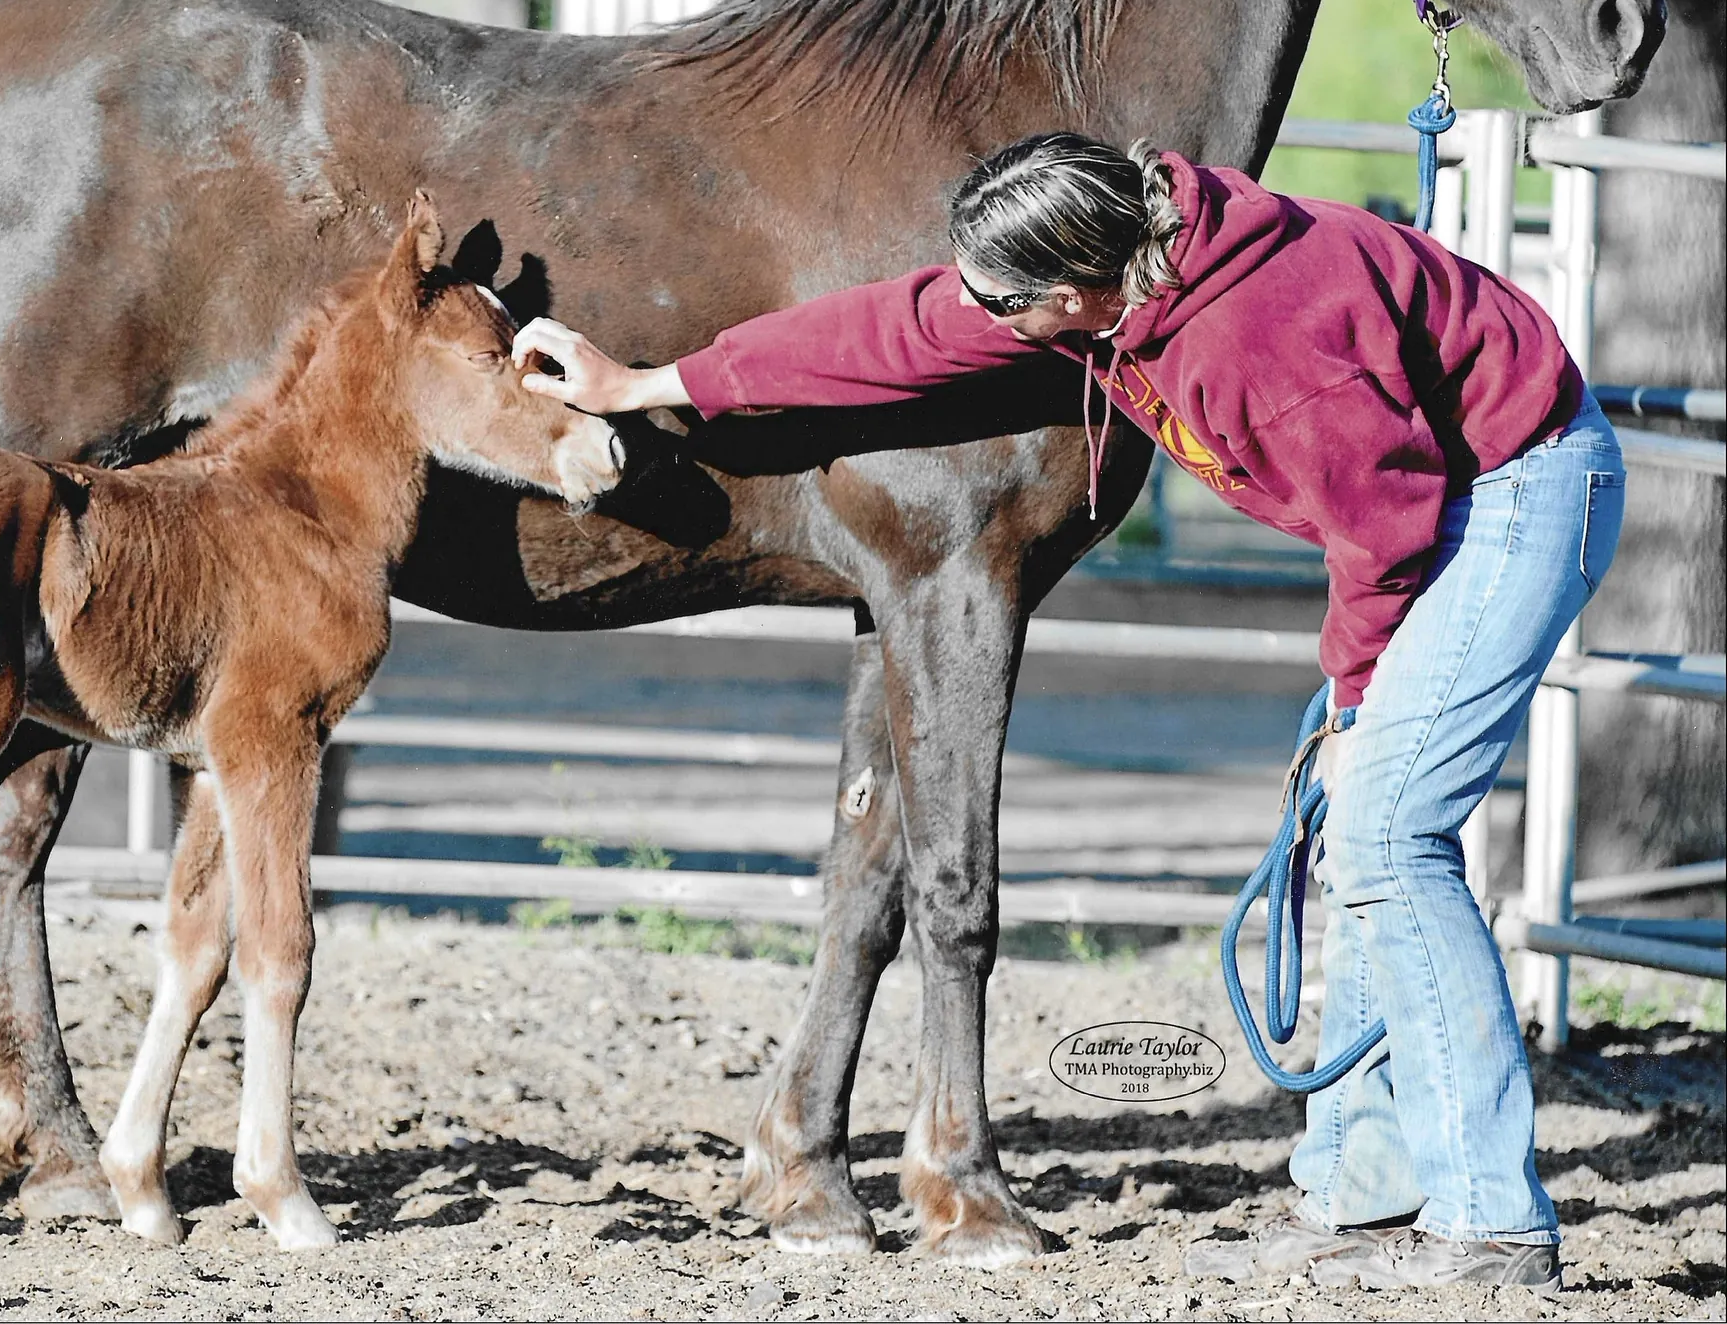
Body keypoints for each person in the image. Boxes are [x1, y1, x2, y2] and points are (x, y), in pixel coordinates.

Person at [512, 131, 1622, 1294]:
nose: (975, 311)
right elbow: (883, 333)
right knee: (1348, 841)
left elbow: (1384, 530)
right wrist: (645, 384)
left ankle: (1490, 1216)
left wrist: (1352, 700)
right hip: (1428, 500)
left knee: (1389, 834)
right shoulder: (1110, 276)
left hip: (1514, 490)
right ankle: (1362, 1194)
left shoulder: (1260, 341)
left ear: (1072, 295)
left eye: (1000, 300)